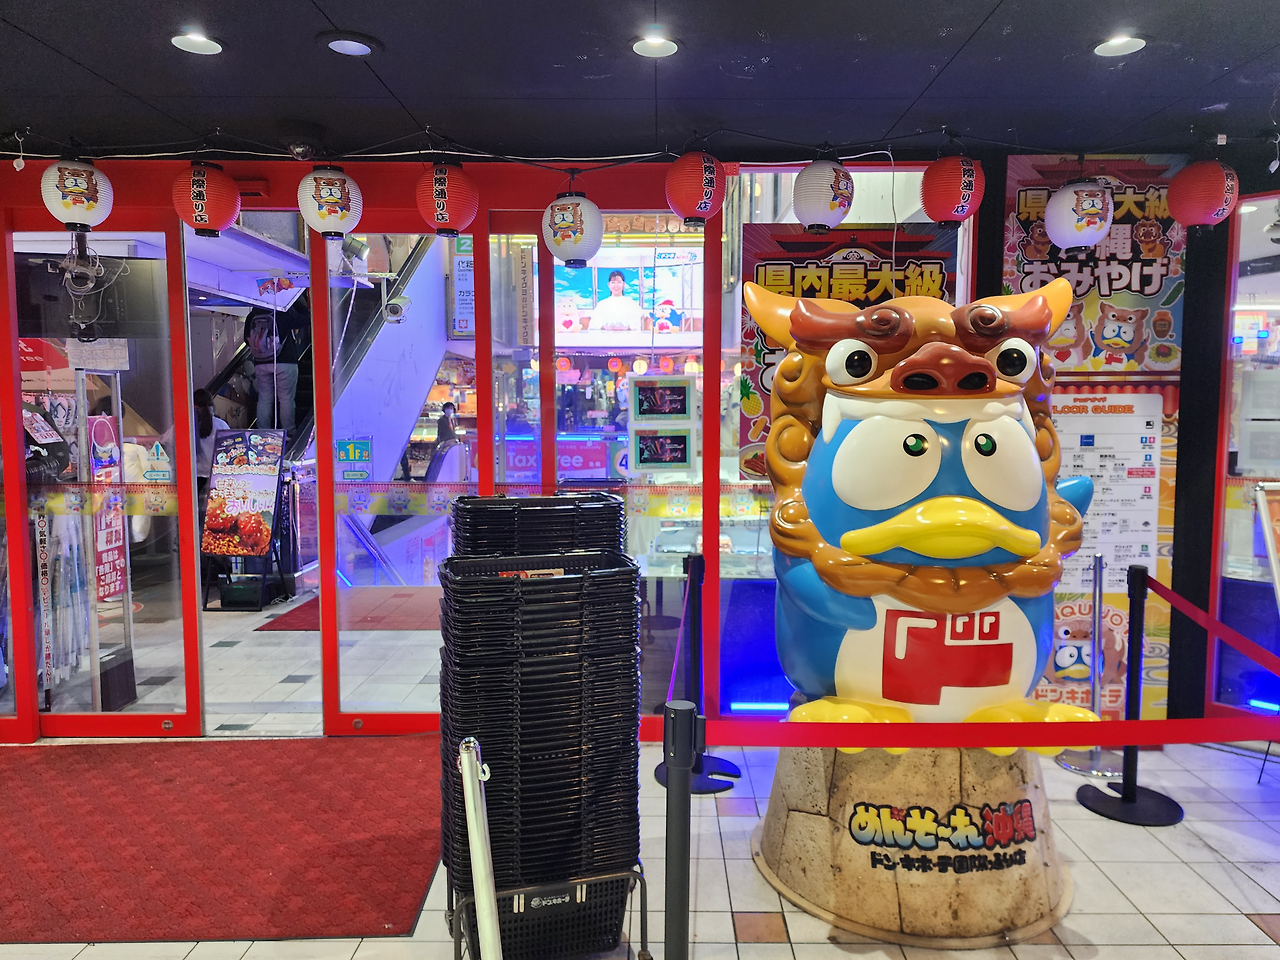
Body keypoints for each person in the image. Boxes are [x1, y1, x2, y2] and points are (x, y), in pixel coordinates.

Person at [244, 293, 310, 434]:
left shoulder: (253, 315)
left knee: (264, 398)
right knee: (286, 398)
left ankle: (262, 432)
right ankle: (288, 431)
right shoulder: (282, 311)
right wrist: (297, 300)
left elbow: (246, 339)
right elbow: (306, 319)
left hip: (261, 363)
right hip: (285, 361)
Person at [193, 389, 230, 499]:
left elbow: (165, 440)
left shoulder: (185, 424)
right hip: (217, 476)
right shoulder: (222, 425)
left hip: (193, 476)